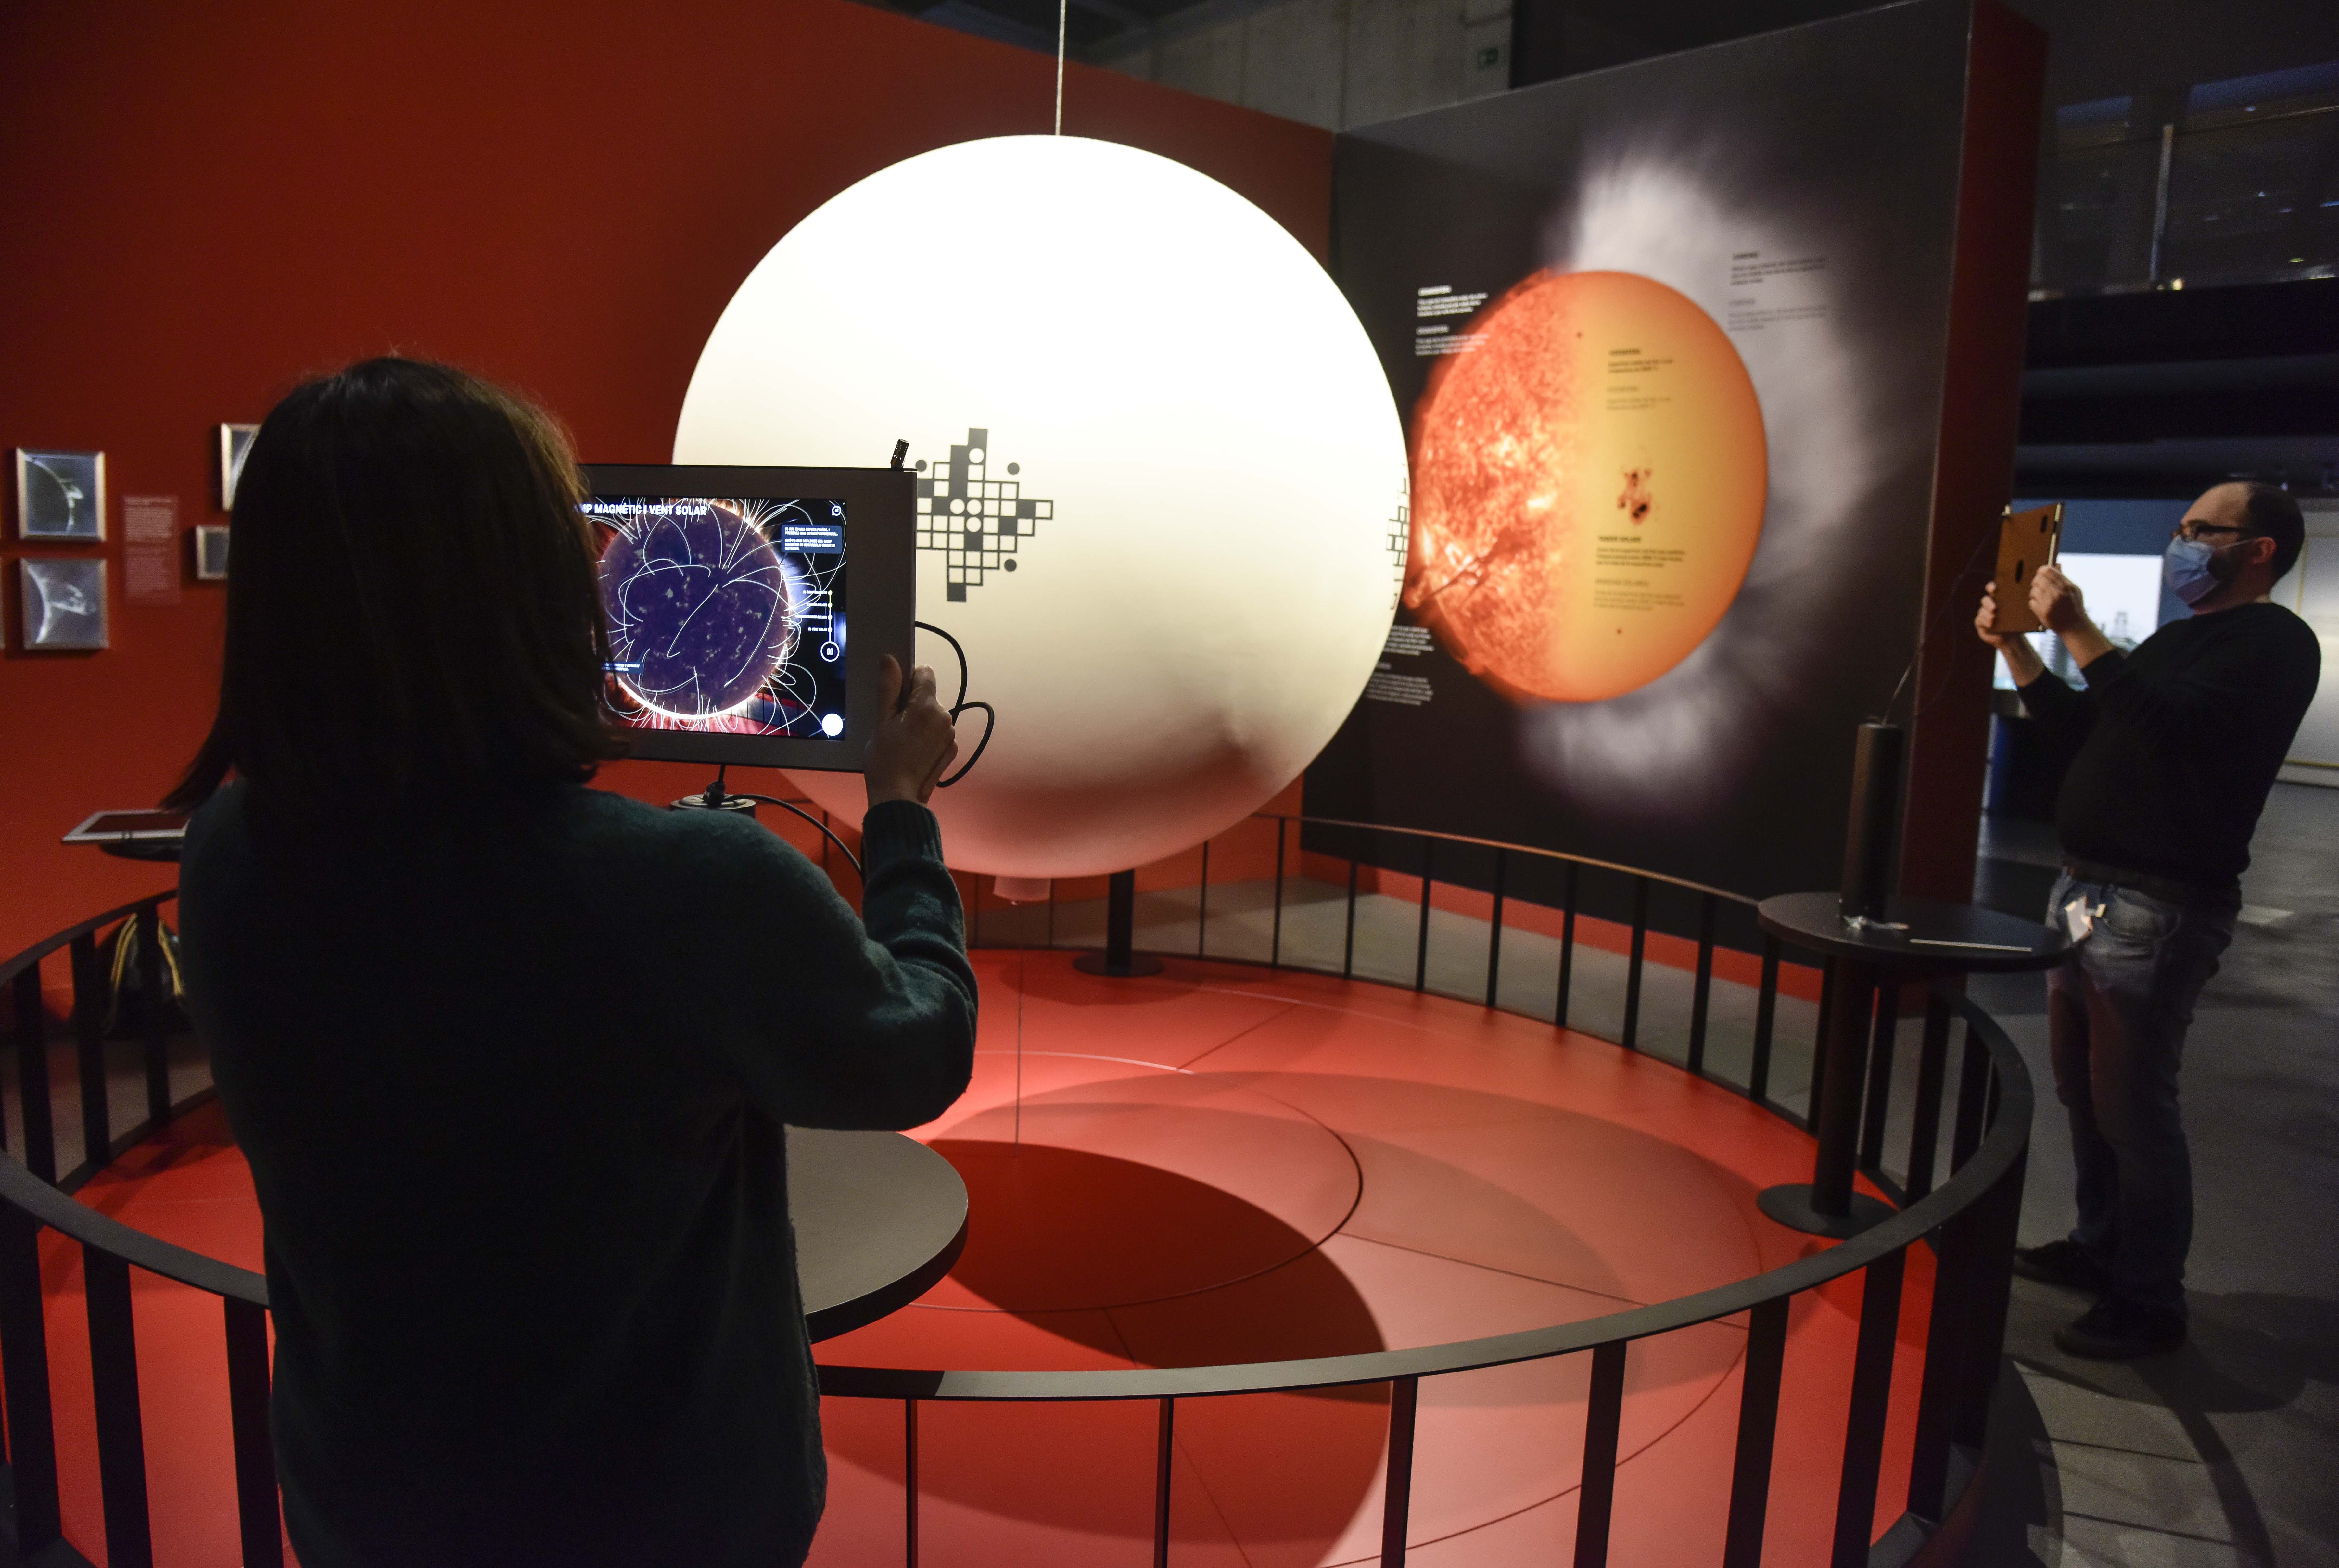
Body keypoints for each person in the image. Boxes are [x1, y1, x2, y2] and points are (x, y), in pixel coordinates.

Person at [168, 358, 975, 1566]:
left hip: (369, 1499)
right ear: (540, 595)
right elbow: (913, 1051)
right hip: (662, 1519)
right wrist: (903, 814)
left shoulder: (230, 851)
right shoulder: (687, 887)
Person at [1975, 481, 2318, 1359]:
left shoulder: (2274, 642)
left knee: (2131, 1103)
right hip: (2086, 891)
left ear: (2258, 551)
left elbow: (2171, 729)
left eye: (2200, 530)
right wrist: (2018, 649)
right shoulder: (2179, 638)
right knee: (2083, 1090)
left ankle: (2149, 1297)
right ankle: (2100, 1247)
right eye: (2179, 528)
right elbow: (2088, 727)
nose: (2182, 541)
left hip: (2159, 903)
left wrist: (2080, 629)